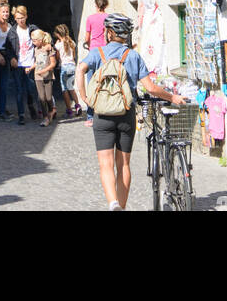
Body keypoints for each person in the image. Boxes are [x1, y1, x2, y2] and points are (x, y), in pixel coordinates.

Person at [75, 11, 187, 211]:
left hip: (102, 115)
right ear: (126, 34)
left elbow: (80, 69)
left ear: (109, 32)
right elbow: (150, 88)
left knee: (106, 164)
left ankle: (113, 203)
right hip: (126, 114)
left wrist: (84, 97)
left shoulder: (97, 53)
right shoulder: (133, 56)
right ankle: (122, 207)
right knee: (124, 164)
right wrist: (172, 97)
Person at [11, 6, 39, 124]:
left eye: (22, 18)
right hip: (18, 65)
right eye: (18, 18)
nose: (20, 20)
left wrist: (47, 46)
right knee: (19, 90)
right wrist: (11, 58)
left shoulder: (32, 29)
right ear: (15, 18)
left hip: (30, 64)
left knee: (30, 89)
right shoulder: (12, 31)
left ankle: (31, 105)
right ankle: (21, 115)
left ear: (26, 17)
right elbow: (8, 46)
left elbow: (43, 38)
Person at [54, 24, 80, 118]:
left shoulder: (58, 45)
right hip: (72, 66)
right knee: (71, 87)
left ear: (58, 34)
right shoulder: (72, 42)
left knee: (64, 89)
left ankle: (69, 110)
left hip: (64, 67)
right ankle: (77, 105)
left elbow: (57, 57)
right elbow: (74, 55)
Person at [32, 31, 57, 126]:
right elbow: (37, 62)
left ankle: (52, 110)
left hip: (47, 76)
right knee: (42, 98)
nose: (33, 42)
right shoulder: (36, 49)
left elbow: (53, 63)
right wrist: (30, 68)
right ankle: (45, 117)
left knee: (49, 97)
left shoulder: (49, 48)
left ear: (40, 40)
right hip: (38, 77)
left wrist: (44, 71)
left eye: (34, 40)